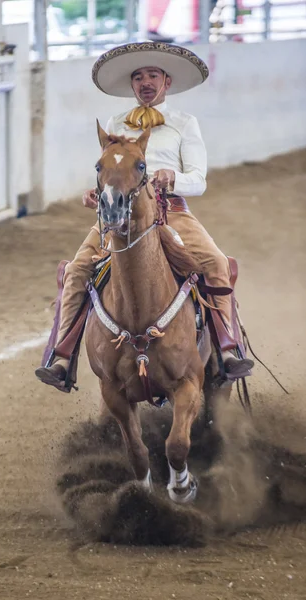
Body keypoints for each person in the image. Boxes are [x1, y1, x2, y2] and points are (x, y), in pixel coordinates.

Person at [35, 42, 253, 391]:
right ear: (132, 85)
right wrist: (98, 192)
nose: (145, 82)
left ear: (167, 82)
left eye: (153, 75)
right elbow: (111, 172)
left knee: (215, 263)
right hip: (117, 216)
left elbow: (199, 179)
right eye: (138, 77)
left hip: (172, 212)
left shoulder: (185, 123)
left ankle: (227, 348)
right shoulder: (114, 123)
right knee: (77, 270)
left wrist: (174, 177)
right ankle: (61, 356)